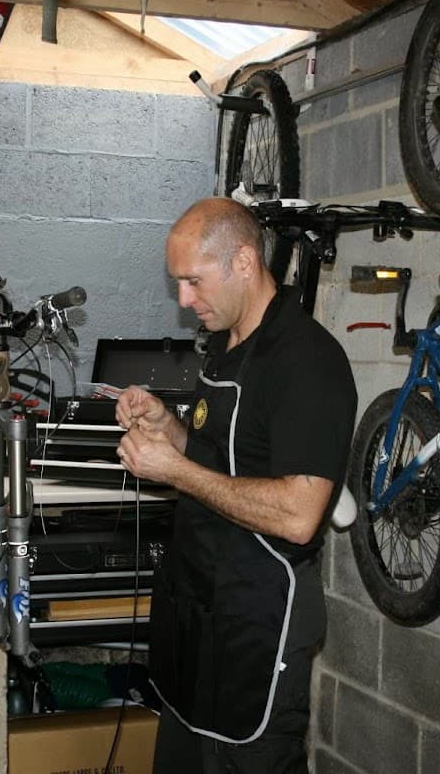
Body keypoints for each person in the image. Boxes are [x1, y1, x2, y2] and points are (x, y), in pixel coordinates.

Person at [116, 197, 356, 773]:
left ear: (244, 263)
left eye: (193, 282)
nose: (184, 300)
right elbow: (225, 461)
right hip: (200, 614)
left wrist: (176, 471)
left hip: (258, 624)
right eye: (178, 283)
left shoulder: (308, 362)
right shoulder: (227, 345)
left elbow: (300, 513)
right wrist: (169, 430)